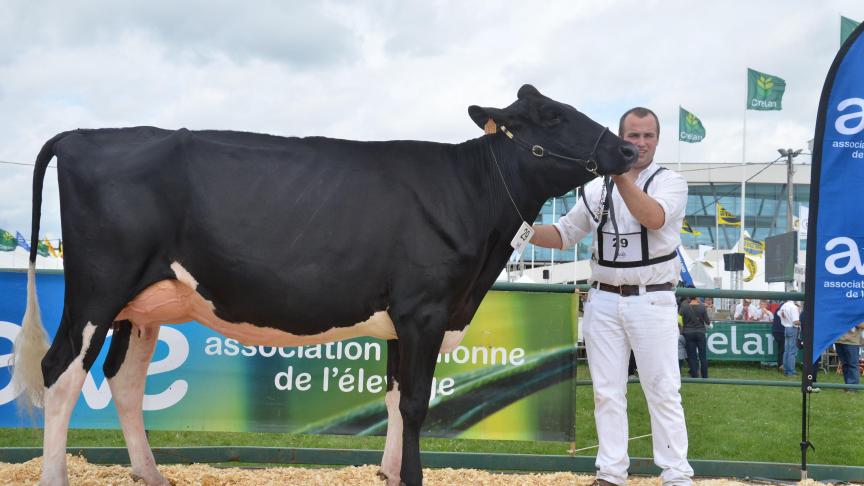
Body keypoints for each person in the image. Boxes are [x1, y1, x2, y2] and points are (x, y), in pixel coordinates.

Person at [531, 107, 693, 485]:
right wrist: (520, 229)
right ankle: (611, 471)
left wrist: (618, 174)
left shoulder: (672, 182)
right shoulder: (593, 189)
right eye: (633, 136)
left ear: (657, 139)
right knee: (606, 392)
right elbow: (565, 233)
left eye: (647, 136)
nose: (640, 143)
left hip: (652, 298)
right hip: (602, 298)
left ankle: (675, 472)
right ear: (621, 138)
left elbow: (652, 217)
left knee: (663, 389)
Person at [679, 296, 710, 378]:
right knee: (702, 355)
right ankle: (705, 376)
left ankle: (694, 375)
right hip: (700, 332)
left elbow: (680, 319)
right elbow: (708, 321)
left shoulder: (684, 307)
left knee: (692, 356)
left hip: (688, 333)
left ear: (689, 298)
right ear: (696, 297)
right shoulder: (702, 307)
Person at [834, 322, 864, 393]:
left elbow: (862, 325)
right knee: (845, 365)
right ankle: (848, 386)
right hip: (839, 340)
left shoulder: (857, 312)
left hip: (852, 342)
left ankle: (853, 388)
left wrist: (850, 320)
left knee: (852, 364)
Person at [777, 300, 801, 376]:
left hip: (786, 327)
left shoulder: (783, 306)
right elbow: (795, 321)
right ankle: (791, 371)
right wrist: (803, 322)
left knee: (786, 351)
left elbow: (779, 314)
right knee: (792, 351)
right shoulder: (793, 307)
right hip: (792, 328)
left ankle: (786, 370)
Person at [771, 306, 785, 371]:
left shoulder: (777, 309)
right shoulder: (786, 308)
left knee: (781, 349)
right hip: (782, 331)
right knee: (783, 350)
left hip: (775, 331)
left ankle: (780, 364)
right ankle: (781, 365)